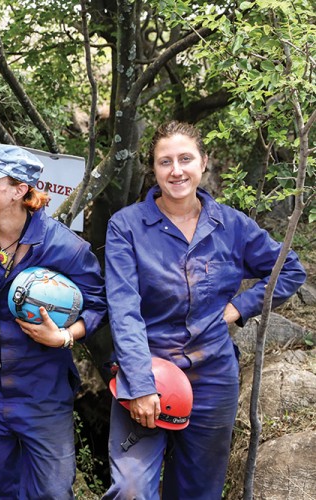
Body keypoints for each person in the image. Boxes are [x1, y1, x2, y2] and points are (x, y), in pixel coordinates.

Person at [103, 121, 307, 498]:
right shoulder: (126, 226)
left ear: (203, 162)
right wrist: (140, 382)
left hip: (212, 376)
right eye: (165, 162)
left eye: (185, 159)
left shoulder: (231, 225)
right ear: (154, 168)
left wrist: (238, 308)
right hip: (147, 369)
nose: (176, 170)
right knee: (131, 488)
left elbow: (290, 269)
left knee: (199, 489)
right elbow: (123, 307)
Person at [0, 144, 107, 498]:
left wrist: (66, 337)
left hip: (42, 390)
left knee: (52, 492)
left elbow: (98, 305)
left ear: (20, 190)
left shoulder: (65, 248)